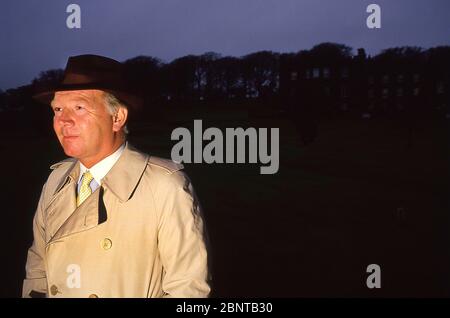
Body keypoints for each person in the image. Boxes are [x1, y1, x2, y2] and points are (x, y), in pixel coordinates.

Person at [22, 54, 211, 298]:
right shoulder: (56, 181)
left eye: (79, 107)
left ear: (117, 118)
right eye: (57, 109)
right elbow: (38, 266)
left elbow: (188, 290)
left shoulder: (165, 185)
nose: (63, 120)